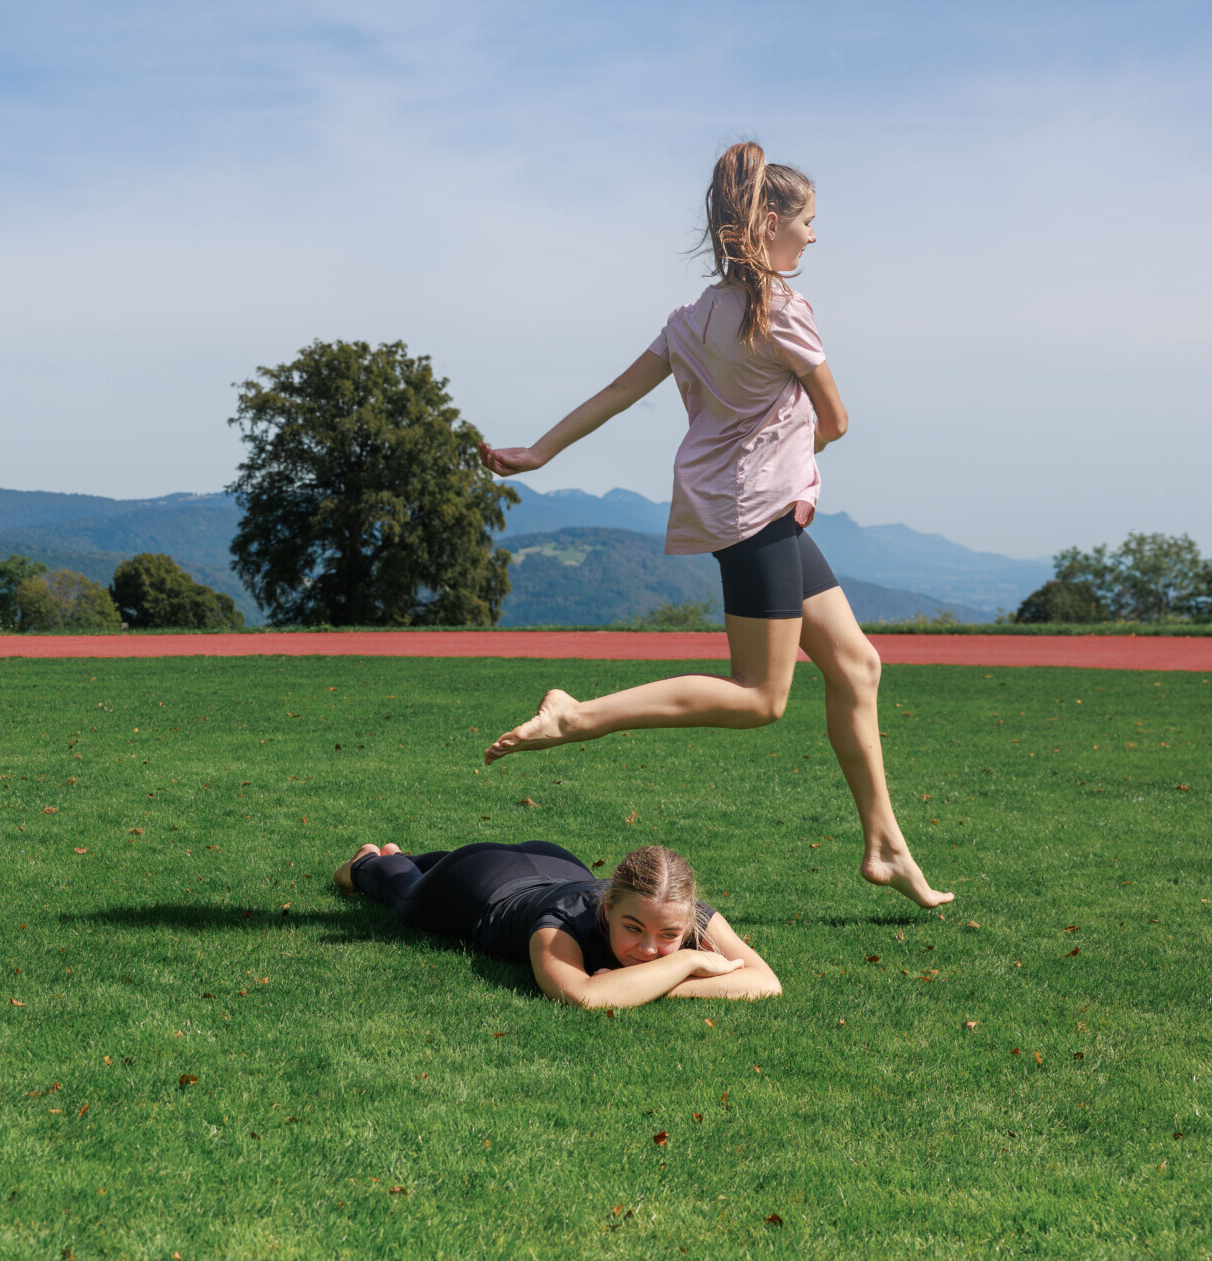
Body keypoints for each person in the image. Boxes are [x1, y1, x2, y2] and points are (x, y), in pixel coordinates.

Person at [476, 140, 951, 909]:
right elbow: (837, 418)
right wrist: (800, 458)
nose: (816, 236)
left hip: (752, 511)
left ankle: (886, 845)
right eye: (809, 222)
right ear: (770, 223)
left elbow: (615, 394)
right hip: (761, 514)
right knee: (761, 696)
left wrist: (540, 449)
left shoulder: (692, 317)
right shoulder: (787, 316)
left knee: (858, 667)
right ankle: (578, 715)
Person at [334, 840, 779, 1009]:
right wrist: (688, 961)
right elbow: (585, 996)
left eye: (669, 936)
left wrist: (652, 981)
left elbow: (767, 984)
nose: (648, 949)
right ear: (607, 910)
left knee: (425, 863)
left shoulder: (684, 911)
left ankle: (407, 855)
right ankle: (369, 859)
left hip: (559, 862)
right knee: (407, 898)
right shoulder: (560, 926)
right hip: (481, 882)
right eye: (633, 928)